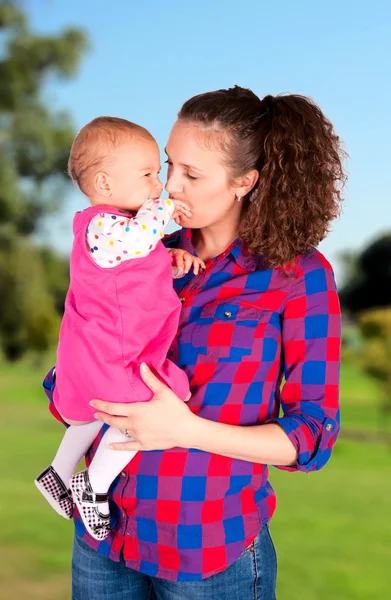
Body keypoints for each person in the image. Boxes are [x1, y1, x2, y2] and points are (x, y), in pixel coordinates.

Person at [47, 87, 346, 599]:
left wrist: (185, 429)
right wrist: (72, 386)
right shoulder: (138, 250)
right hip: (103, 541)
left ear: (243, 182)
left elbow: (311, 434)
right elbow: (79, 352)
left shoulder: (298, 277)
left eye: (192, 174)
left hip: (206, 553)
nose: (169, 186)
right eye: (168, 165)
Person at [35, 116, 204, 541]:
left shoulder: (114, 233)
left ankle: (57, 471)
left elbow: (133, 265)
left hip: (103, 350)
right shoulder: (104, 226)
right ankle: (93, 483)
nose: (159, 186)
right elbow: (138, 237)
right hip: (118, 351)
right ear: (106, 184)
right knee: (153, 407)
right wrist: (166, 210)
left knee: (98, 411)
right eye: (148, 174)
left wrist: (170, 260)